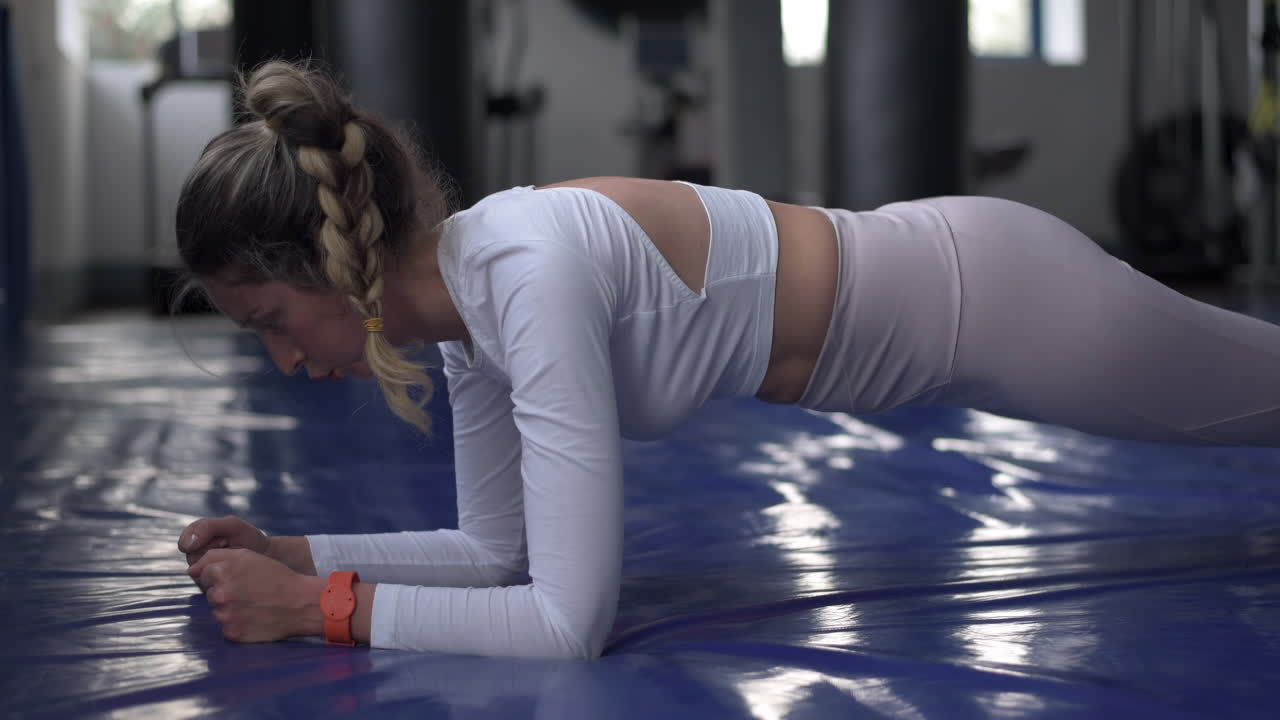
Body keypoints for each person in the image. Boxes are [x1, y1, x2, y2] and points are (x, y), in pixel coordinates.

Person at [174, 60, 1280, 660]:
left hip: (999, 301)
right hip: (970, 306)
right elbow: (491, 549)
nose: (281, 356)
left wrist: (322, 610)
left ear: (333, 267)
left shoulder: (523, 276)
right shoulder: (461, 311)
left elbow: (566, 622)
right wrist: (294, 550)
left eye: (271, 317)